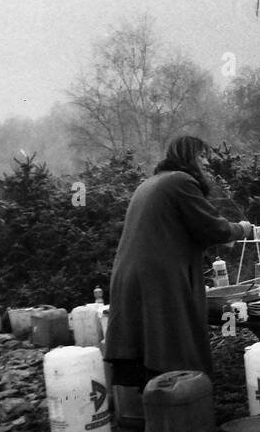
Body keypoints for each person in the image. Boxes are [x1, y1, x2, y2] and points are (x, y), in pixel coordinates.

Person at [104, 136, 252, 388]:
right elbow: (210, 227)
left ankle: (158, 409)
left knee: (149, 345)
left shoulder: (150, 183)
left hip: (131, 275)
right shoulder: (180, 181)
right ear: (188, 156)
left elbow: (181, 228)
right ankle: (183, 406)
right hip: (157, 278)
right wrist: (241, 229)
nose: (206, 162)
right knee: (172, 344)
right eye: (201, 155)